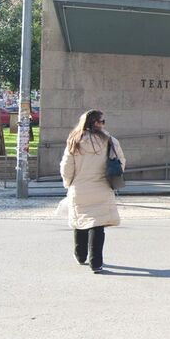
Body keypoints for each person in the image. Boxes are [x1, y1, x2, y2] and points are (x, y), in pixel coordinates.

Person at [60, 109, 125, 274]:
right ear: (95, 123)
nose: (103, 124)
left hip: (79, 187)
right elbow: (121, 162)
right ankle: (96, 263)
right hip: (102, 187)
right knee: (97, 225)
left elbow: (66, 166)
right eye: (101, 121)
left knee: (80, 221)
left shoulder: (74, 141)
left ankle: (80, 255)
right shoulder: (110, 141)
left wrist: (68, 183)